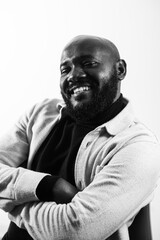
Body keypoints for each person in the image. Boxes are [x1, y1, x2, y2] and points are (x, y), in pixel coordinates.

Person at [0, 35, 160, 240]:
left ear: (120, 70)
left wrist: (12, 203)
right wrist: (49, 186)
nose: (73, 76)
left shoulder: (138, 146)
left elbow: (75, 230)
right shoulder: (40, 114)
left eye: (89, 64)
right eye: (65, 69)